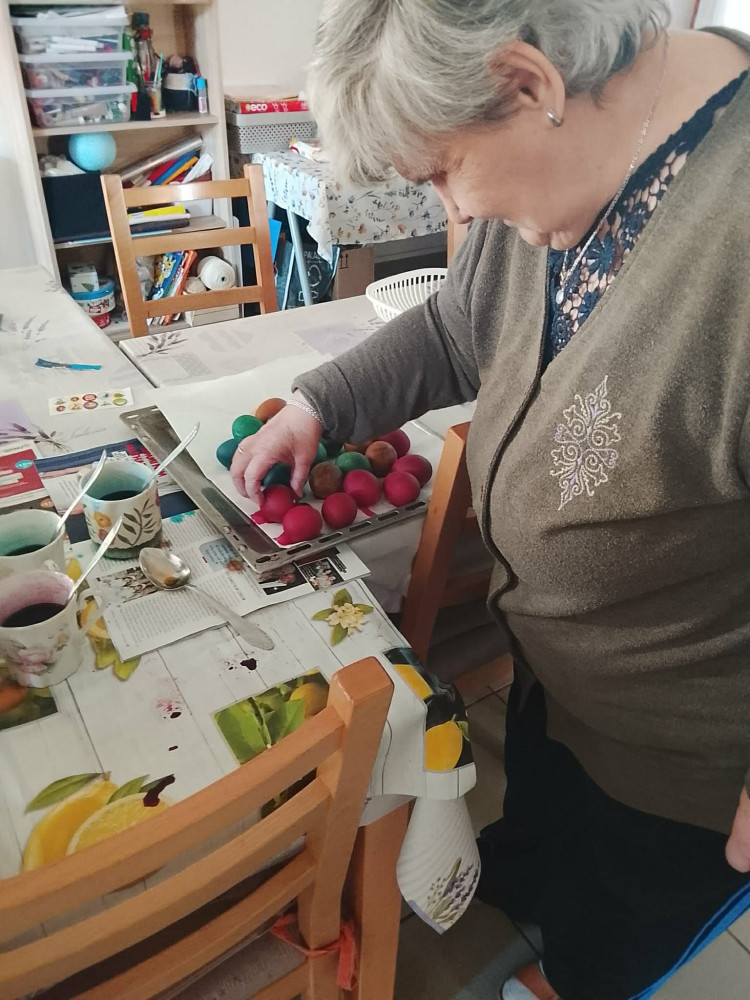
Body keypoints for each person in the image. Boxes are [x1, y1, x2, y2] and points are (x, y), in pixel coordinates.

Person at [231, 2, 750, 997]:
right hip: (553, 676)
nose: (448, 208)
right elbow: (458, 326)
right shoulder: (563, 159)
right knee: (537, 841)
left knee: (609, 935)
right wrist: (317, 403)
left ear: (528, 83)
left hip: (679, 755)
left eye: (441, 173)